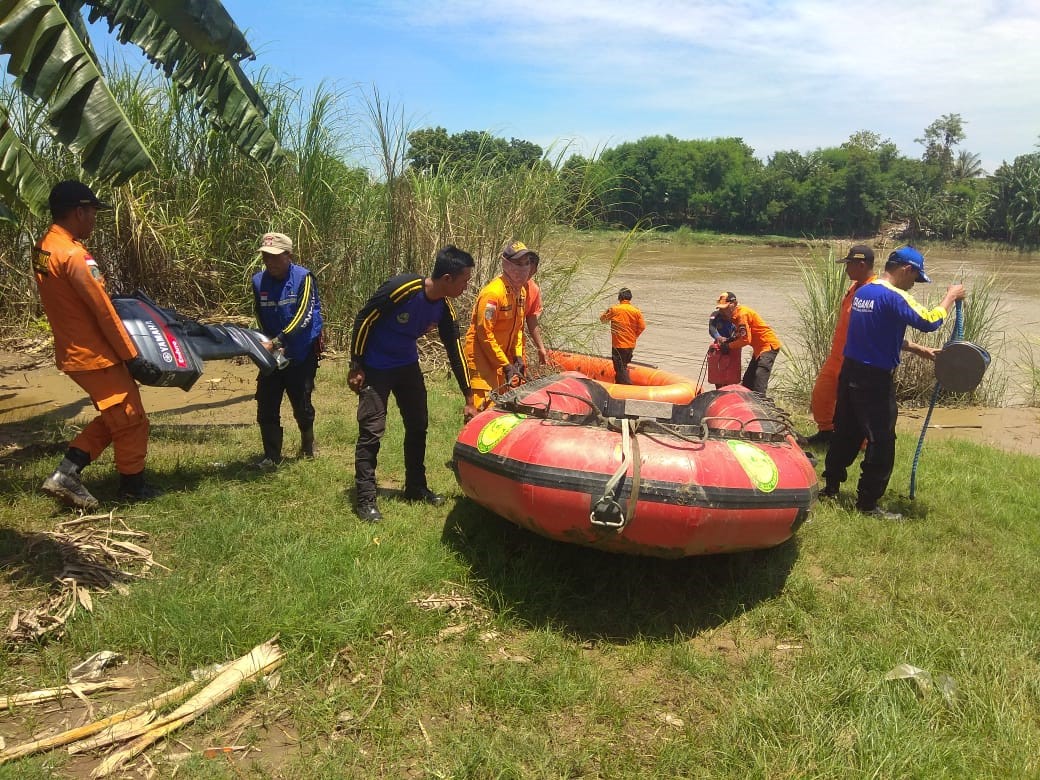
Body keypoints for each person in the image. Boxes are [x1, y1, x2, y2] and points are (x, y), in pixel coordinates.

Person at [33, 180, 164, 509]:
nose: (94, 218)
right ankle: (133, 487)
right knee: (131, 417)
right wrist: (131, 356)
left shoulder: (43, 248)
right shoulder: (74, 255)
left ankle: (67, 472)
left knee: (115, 415)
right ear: (79, 211)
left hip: (72, 350)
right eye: (92, 212)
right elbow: (103, 311)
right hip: (94, 354)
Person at [822, 246, 966, 520]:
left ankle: (830, 487)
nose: (914, 285)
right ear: (906, 270)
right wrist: (951, 296)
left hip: (850, 372)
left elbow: (875, 334)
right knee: (882, 441)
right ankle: (867, 504)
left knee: (846, 432)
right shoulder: (895, 296)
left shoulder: (865, 291)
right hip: (874, 380)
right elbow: (929, 320)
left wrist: (917, 349)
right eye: (915, 278)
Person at [349, 245, 477, 523]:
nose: (467, 286)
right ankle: (365, 500)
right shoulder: (402, 288)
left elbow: (455, 350)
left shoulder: (444, 309)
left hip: (406, 366)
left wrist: (469, 396)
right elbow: (364, 318)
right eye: (465, 280)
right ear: (447, 279)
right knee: (372, 431)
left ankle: (416, 488)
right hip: (375, 367)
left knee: (418, 426)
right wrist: (356, 365)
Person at [807, 245, 936, 446]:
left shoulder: (876, 290)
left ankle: (864, 445)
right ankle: (825, 433)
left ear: (861, 264)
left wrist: (917, 348)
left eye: (849, 264)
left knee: (861, 410)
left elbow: (881, 334)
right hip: (837, 356)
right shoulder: (856, 289)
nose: (846, 269)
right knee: (821, 396)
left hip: (856, 359)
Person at [251, 232, 324, 467]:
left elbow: (304, 316)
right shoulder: (258, 281)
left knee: (301, 403)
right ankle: (271, 456)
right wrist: (267, 345)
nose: (269, 262)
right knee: (266, 401)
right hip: (273, 352)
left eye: (275, 257)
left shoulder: (303, 278)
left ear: (288, 256)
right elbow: (260, 316)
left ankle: (307, 442)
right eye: (265, 256)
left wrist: (278, 341)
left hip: (300, 351)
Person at [464, 240, 531, 410]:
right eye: (518, 263)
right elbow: (484, 333)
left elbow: (518, 328)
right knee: (481, 411)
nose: (523, 268)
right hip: (483, 362)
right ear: (506, 265)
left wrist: (517, 356)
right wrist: (505, 364)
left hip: (502, 362)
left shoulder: (521, 292)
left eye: (527, 263)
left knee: (499, 410)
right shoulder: (493, 294)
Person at [713, 291, 782, 395]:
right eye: (721, 309)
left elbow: (745, 340)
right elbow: (742, 333)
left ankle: (762, 405)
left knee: (759, 379)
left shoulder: (742, 315)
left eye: (725, 308)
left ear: (734, 304)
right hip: (759, 349)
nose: (723, 311)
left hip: (768, 347)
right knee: (748, 380)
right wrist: (732, 339)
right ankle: (747, 402)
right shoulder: (735, 315)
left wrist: (729, 346)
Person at [599, 288, 646, 384]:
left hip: (619, 345)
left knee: (620, 368)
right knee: (623, 366)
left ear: (619, 297)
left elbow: (602, 319)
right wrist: (634, 336)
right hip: (631, 345)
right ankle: (619, 385)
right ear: (630, 298)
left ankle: (627, 386)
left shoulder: (614, 309)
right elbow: (642, 327)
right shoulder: (636, 311)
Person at [524, 251, 549, 366]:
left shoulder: (533, 290)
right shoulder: (501, 287)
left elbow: (531, 319)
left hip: (516, 345)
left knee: (517, 380)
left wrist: (541, 348)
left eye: (529, 272)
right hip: (495, 343)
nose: (525, 275)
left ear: (534, 271)